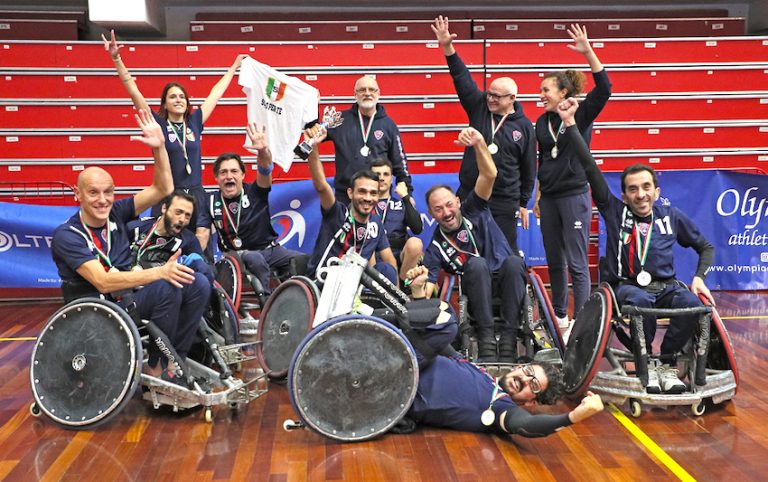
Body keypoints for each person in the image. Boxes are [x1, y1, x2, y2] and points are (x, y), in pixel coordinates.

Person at [556, 97, 716, 394]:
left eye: (646, 187)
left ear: (657, 191)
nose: (640, 194)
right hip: (628, 287)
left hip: (667, 286)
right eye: (633, 189)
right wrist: (570, 124)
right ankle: (646, 365)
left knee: (692, 305)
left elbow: (705, 247)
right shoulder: (615, 211)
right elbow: (590, 167)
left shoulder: (671, 216)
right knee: (641, 304)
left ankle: (665, 363)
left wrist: (699, 278)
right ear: (625, 195)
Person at [51, 110, 210, 382]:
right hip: (97, 311)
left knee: (198, 284)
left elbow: (163, 187)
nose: (103, 200)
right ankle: (157, 369)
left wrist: (160, 148)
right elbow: (102, 282)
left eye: (108, 192)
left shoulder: (117, 212)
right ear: (77, 194)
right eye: (93, 193)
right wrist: (160, 272)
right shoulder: (68, 235)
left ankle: (177, 360)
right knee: (167, 285)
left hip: (130, 301)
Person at [402, 265, 604, 436]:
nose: (524, 379)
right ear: (521, 366)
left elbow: (527, 426)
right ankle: (378, 311)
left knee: (448, 321)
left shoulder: (501, 408)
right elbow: (437, 345)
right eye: (528, 372)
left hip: (401, 385)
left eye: (533, 385)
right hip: (405, 361)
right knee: (442, 317)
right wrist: (419, 293)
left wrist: (574, 417)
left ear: (530, 404)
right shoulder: (481, 375)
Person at [103, 30, 246, 229]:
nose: (178, 100)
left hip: (196, 194)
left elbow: (216, 93)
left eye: (182, 97)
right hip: (168, 193)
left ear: (187, 103)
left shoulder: (195, 121)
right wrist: (117, 58)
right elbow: (133, 91)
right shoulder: (158, 124)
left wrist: (234, 67)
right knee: (163, 245)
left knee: (200, 243)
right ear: (165, 104)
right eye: (172, 97)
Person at [422, 127, 529, 363]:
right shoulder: (435, 246)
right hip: (475, 291)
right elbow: (428, 287)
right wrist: (418, 284)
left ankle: (510, 340)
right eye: (438, 209)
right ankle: (487, 339)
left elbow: (489, 174)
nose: (446, 212)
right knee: (478, 264)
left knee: (514, 261)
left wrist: (479, 143)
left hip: (506, 281)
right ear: (431, 213)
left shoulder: (475, 208)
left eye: (449, 205)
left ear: (458, 202)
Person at [431, 15, 536, 255]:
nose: (490, 99)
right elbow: (461, 77)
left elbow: (529, 167)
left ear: (512, 99)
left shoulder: (525, 127)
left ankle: (507, 293)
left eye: (497, 96)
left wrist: (523, 203)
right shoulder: (479, 106)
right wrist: (447, 47)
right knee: (468, 250)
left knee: (505, 252)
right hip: (471, 195)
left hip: (504, 200)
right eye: (489, 93)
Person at [532, 24, 613, 329]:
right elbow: (543, 158)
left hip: (574, 195)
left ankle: (582, 322)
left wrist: (588, 52)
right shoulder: (541, 122)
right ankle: (560, 319)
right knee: (554, 261)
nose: (540, 95)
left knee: (578, 263)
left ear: (562, 92)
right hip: (550, 198)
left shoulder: (580, 113)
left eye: (545, 90)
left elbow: (605, 89)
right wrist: (539, 196)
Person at [195, 123, 307, 296]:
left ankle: (297, 302)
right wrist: (195, 256)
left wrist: (263, 151)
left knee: (302, 260)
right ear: (216, 178)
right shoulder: (209, 201)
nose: (229, 176)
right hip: (236, 255)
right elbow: (202, 234)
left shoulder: (256, 191)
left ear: (242, 175)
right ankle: (267, 308)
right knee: (254, 258)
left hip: (271, 250)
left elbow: (264, 171)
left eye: (234, 171)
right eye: (223, 173)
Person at [305, 126, 398, 283]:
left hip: (353, 287)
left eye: (373, 193)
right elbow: (321, 186)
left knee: (387, 270)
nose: (368, 198)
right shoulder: (337, 213)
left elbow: (389, 260)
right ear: (350, 193)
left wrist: (400, 300)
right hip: (322, 284)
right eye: (362, 191)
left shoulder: (375, 223)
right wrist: (313, 149)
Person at [322, 75, 412, 204]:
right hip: (346, 195)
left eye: (372, 90)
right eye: (362, 90)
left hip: (377, 195)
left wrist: (408, 192)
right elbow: (315, 135)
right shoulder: (339, 120)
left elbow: (400, 163)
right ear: (355, 94)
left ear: (378, 93)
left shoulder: (389, 125)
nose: (367, 93)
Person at [127, 189, 214, 283]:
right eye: (178, 212)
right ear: (164, 208)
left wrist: (199, 263)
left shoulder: (188, 239)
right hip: (131, 283)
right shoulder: (135, 229)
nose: (182, 219)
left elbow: (208, 272)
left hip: (165, 288)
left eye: (187, 216)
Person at [370, 157, 424, 282]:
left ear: (391, 179)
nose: (382, 178)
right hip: (372, 253)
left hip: (398, 253)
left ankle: (403, 288)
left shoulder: (401, 203)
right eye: (377, 174)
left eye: (386, 174)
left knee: (415, 243)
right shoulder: (364, 203)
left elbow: (417, 229)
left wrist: (405, 197)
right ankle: (371, 289)